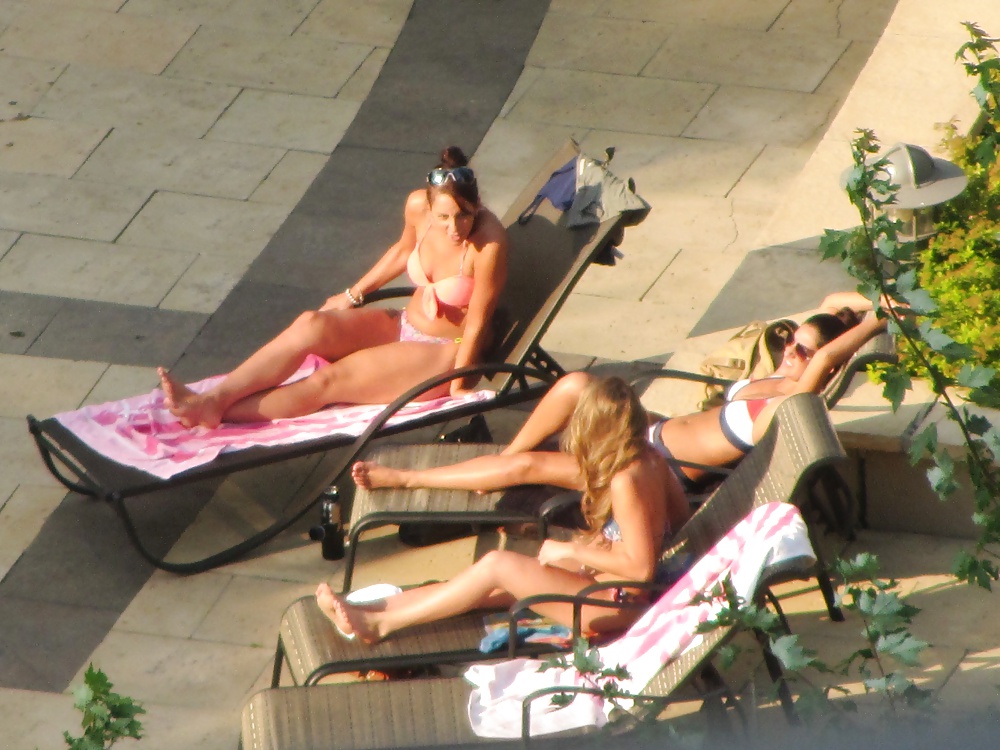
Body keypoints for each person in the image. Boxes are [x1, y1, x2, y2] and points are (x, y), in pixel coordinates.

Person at [351, 291, 889, 495]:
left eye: (804, 352)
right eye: (793, 343)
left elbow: (823, 359)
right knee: (577, 385)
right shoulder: (782, 376)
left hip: (652, 469)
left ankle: (410, 478)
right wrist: (864, 304)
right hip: (651, 431)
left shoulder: (792, 400)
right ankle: (502, 461)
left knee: (531, 469)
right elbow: (832, 299)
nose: (793, 353)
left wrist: (877, 323)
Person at [315, 377, 691, 643]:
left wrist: (573, 549)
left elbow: (642, 569)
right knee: (488, 583)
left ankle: (382, 624)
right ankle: (371, 610)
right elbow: (680, 521)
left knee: (500, 565)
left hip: (614, 606)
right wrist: (608, 546)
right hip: (610, 588)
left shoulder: (625, 479)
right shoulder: (650, 460)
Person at [157, 146, 508, 428]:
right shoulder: (418, 206)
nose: (454, 228)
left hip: (447, 349)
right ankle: (212, 400)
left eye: (464, 215)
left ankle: (219, 413)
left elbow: (478, 320)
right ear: (428, 205)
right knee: (312, 323)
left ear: (476, 205)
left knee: (330, 382)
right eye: (443, 217)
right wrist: (351, 296)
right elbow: (403, 251)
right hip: (406, 322)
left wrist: (461, 382)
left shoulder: (488, 243)